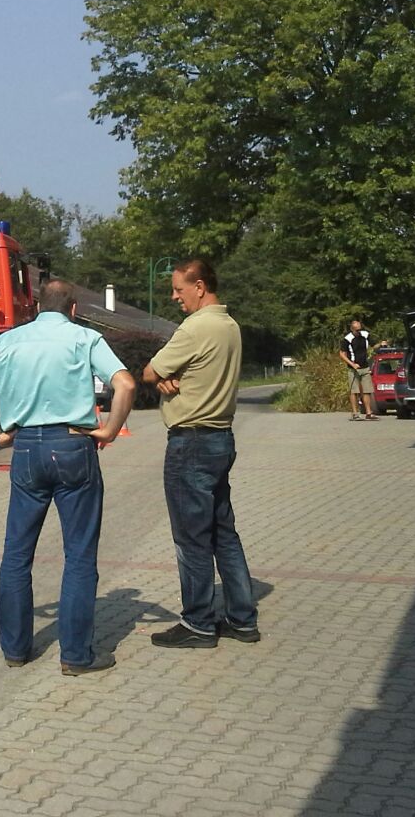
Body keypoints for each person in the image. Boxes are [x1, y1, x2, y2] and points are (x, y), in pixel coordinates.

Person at [0, 279, 135, 676]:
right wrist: (109, 430)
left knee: (17, 553)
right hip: (73, 445)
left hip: (25, 448)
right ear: (73, 309)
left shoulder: (9, 341)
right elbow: (124, 383)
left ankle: (16, 649)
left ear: (37, 308)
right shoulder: (84, 338)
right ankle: (75, 655)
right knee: (79, 555)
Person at [141, 258, 258, 648]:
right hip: (221, 437)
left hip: (190, 441)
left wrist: (163, 377)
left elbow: (149, 372)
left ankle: (198, 623)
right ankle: (242, 619)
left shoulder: (195, 327)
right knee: (224, 532)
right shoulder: (230, 326)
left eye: (179, 289)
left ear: (200, 286)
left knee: (191, 537)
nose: (175, 297)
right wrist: (171, 376)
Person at [338, 319, 385, 421]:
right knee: (354, 391)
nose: (359, 331)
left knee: (367, 390)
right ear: (352, 329)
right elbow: (342, 354)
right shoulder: (347, 339)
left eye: (360, 329)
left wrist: (380, 344)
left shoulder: (365, 335)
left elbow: (374, 346)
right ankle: (355, 414)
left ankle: (369, 413)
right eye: (357, 330)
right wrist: (352, 364)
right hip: (353, 368)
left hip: (365, 366)